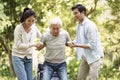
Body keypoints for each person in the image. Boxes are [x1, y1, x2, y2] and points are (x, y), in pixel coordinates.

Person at [71, 4, 104, 80]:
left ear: (82, 12)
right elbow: (79, 39)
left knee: (92, 78)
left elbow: (92, 45)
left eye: (76, 13)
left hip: (95, 57)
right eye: (74, 13)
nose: (74, 15)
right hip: (86, 56)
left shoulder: (90, 25)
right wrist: (72, 42)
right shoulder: (79, 25)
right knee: (80, 78)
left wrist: (76, 45)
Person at [12, 8, 41, 80]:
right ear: (24, 19)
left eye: (33, 21)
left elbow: (42, 37)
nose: (31, 23)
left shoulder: (34, 28)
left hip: (29, 57)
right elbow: (18, 45)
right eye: (29, 21)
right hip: (18, 57)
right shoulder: (18, 28)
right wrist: (33, 44)